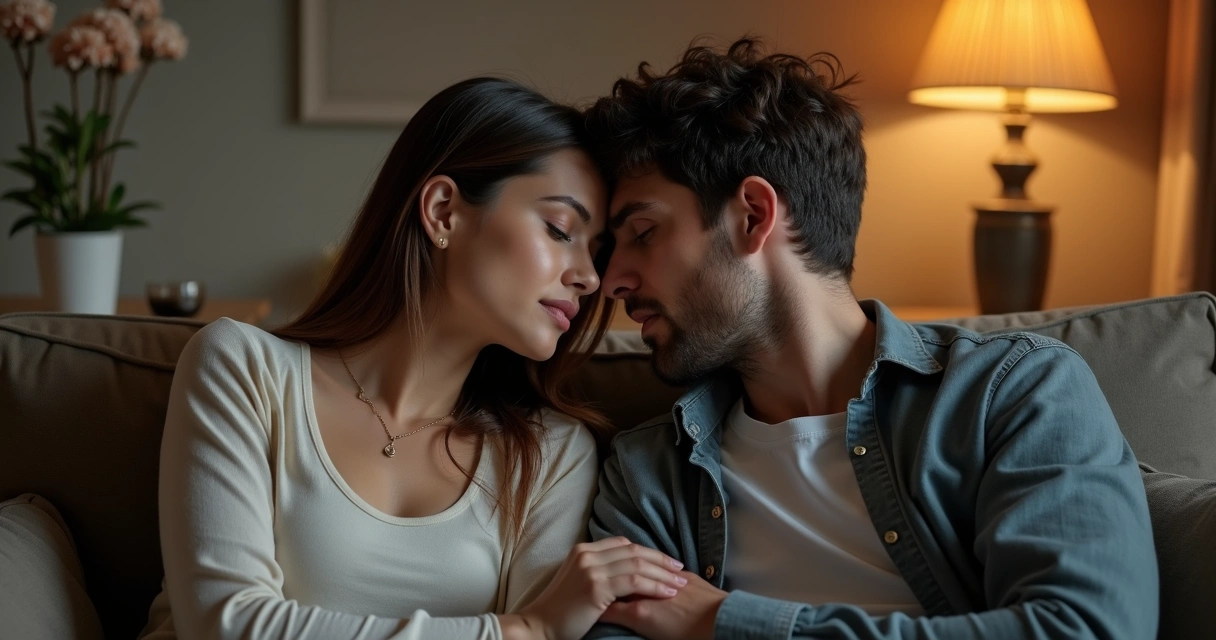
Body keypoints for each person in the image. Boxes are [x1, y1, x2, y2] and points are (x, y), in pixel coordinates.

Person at [581, 38, 1158, 640]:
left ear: (753, 214)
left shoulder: (1014, 393)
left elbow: (1087, 628)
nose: (611, 280)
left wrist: (722, 621)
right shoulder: (649, 472)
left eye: (642, 232)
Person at [139, 77, 687, 640]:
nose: (590, 276)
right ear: (444, 210)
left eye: (595, 251)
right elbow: (223, 625)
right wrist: (524, 630)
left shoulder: (552, 455)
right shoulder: (243, 369)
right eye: (559, 229)